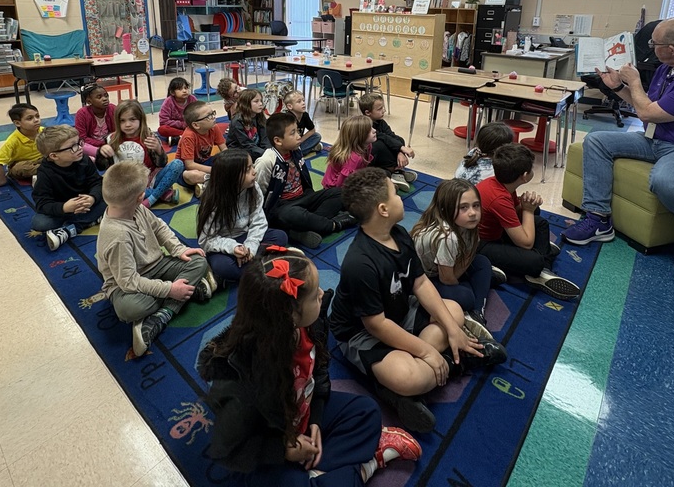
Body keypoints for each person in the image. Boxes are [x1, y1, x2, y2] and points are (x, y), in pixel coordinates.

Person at [198, 248, 422, 484]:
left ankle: (323, 474)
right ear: (290, 315)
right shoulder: (239, 377)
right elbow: (228, 450)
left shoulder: (310, 325)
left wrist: (315, 418)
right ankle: (366, 464)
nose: (323, 295)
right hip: (273, 437)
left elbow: (319, 372)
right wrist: (283, 449)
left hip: (301, 415)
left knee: (367, 410)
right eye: (315, 295)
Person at [329, 168, 507, 434]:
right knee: (406, 376)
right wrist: (427, 352)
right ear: (383, 209)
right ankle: (449, 366)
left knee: (455, 312)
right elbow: (377, 326)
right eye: (394, 193)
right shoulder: (360, 263)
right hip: (362, 333)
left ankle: (412, 381)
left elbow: (421, 283)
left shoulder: (399, 234)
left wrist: (454, 329)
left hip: (399, 312)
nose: (401, 195)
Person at [563, 17, 674, 272]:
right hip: (659, 139)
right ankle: (599, 218)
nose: (649, 46)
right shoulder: (668, 68)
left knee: (667, 181)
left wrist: (634, 81)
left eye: (653, 42)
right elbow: (647, 105)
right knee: (597, 140)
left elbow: (647, 114)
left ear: (671, 49)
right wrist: (618, 87)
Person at [96, 161, 213, 357]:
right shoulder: (117, 236)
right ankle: (181, 296)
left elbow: (159, 227)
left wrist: (178, 249)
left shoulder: (135, 208)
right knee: (129, 310)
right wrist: (169, 289)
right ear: (139, 197)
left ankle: (162, 314)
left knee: (198, 261)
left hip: (157, 265)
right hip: (125, 286)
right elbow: (128, 281)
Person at [477, 144, 580, 299]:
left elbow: (515, 210)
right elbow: (525, 243)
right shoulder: (499, 198)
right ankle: (540, 268)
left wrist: (527, 204)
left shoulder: (500, 183)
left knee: (540, 222)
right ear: (524, 175)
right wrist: (528, 210)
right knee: (535, 261)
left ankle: (542, 265)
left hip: (497, 231)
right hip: (481, 245)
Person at [256, 112, 354, 249]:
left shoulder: (295, 150)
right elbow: (258, 193)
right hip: (283, 207)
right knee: (290, 215)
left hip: (304, 197)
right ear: (278, 141)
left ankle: (300, 230)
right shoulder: (267, 161)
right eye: (293, 133)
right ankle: (333, 225)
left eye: (297, 131)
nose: (299, 136)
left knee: (339, 193)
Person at [411, 179, 493, 333]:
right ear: (446, 210)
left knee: (483, 262)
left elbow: (468, 255)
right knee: (466, 296)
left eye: (476, 205)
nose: (473, 213)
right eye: (463, 207)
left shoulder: (466, 225)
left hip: (448, 266)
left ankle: (477, 313)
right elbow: (447, 279)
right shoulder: (448, 237)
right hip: (424, 280)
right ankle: (472, 305)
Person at [197, 149, 288, 285]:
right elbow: (206, 240)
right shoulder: (214, 201)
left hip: (245, 236)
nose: (254, 171)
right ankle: (264, 264)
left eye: (252, 166)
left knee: (281, 237)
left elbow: (259, 222)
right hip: (223, 245)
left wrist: (249, 249)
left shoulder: (254, 188)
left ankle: (242, 270)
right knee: (223, 266)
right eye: (247, 170)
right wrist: (234, 248)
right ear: (231, 177)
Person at [31, 125, 106, 251]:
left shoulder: (84, 160)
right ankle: (90, 220)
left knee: (113, 195)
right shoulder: (45, 173)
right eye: (73, 147)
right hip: (64, 208)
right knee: (39, 222)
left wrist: (92, 197)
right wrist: (64, 207)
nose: (80, 148)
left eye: (79, 143)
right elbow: (42, 203)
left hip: (87, 203)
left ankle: (70, 228)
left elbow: (97, 183)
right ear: (54, 156)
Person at [107, 99, 183, 206]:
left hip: (150, 179)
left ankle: (151, 199)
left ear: (140, 119)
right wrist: (102, 152)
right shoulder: (112, 139)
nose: (127, 124)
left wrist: (158, 150)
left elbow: (162, 164)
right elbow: (106, 168)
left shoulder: (149, 136)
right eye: (122, 121)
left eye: (132, 119)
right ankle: (161, 193)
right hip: (127, 185)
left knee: (178, 164)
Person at [359, 93, 416, 191]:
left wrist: (400, 152)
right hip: (368, 166)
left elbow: (392, 136)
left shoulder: (381, 122)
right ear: (368, 112)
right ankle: (395, 172)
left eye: (383, 107)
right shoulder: (363, 125)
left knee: (399, 139)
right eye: (379, 109)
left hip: (380, 164)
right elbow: (381, 136)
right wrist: (401, 148)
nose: (384, 111)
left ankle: (394, 172)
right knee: (378, 146)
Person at [176, 100, 226, 196]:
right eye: (209, 116)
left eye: (213, 113)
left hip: (205, 163)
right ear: (196, 125)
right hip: (186, 169)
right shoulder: (189, 136)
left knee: (225, 158)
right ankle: (217, 180)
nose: (213, 117)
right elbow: (189, 165)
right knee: (191, 175)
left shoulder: (214, 127)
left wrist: (230, 163)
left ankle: (208, 184)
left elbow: (224, 150)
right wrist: (215, 170)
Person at [0, 103, 42, 186]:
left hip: (42, 161)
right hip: (22, 165)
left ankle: (46, 172)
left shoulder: (44, 132)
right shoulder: (13, 141)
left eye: (37, 116)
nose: (36, 120)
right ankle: (50, 171)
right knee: (20, 168)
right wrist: (1, 181)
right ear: (17, 123)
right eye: (30, 118)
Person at [322, 115, 374, 189]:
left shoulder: (368, 145)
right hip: (333, 188)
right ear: (358, 136)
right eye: (369, 130)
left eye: (372, 127)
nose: (374, 130)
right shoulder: (354, 158)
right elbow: (341, 185)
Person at [74, 84, 116, 165]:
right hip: (91, 145)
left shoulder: (112, 109)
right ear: (89, 101)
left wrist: (111, 142)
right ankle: (100, 156)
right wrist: (102, 145)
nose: (105, 99)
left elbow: (117, 130)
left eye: (106, 96)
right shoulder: (82, 113)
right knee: (81, 146)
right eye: (99, 97)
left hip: (109, 142)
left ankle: (103, 157)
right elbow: (82, 138)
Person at [226, 88, 270, 160]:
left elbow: (265, 137)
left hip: (255, 150)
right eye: (256, 101)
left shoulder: (259, 115)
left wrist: (268, 152)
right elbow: (246, 144)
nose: (261, 104)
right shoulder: (237, 122)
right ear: (246, 104)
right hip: (239, 154)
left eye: (261, 100)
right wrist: (265, 154)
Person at [158, 76, 197, 144]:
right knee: (162, 129)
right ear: (172, 92)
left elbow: (199, 113)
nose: (184, 91)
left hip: (190, 126)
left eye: (186, 88)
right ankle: (188, 136)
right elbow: (163, 121)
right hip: (175, 128)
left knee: (206, 124)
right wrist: (181, 124)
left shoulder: (192, 99)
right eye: (180, 89)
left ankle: (179, 138)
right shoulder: (168, 102)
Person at [284, 90, 323, 155]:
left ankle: (299, 152)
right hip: (289, 143)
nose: (303, 103)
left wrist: (300, 140)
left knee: (317, 136)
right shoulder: (288, 118)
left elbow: (312, 130)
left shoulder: (305, 115)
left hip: (298, 142)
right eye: (299, 102)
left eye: (303, 100)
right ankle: (305, 150)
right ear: (290, 106)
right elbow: (286, 137)